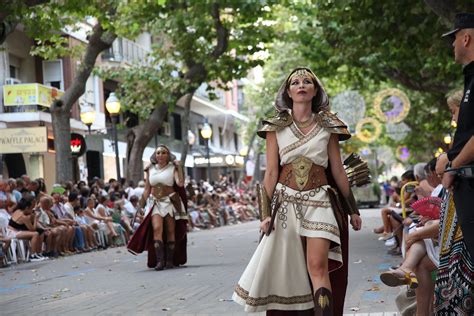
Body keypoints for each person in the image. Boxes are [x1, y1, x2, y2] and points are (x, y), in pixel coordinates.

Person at [232, 67, 362, 315]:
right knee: (288, 272)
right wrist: (264, 213)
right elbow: (270, 173)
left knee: (317, 267)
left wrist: (352, 209)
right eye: (295, 82)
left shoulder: (328, 126)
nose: (301, 85)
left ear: (315, 90)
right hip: (285, 204)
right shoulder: (275, 127)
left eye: (307, 81)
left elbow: (337, 170)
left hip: (320, 202)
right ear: (288, 92)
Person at [434, 88, 474, 313]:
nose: (453, 117)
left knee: (460, 280)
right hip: (457, 212)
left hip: (464, 215)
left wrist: (450, 161)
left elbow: (444, 165)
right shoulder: (460, 138)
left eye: (454, 111)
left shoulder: (464, 139)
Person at [127, 145, 188, 271]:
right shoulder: (150, 168)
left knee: (171, 231)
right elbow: (147, 190)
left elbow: (180, 183)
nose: (160, 155)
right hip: (155, 202)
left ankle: (169, 260)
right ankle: (160, 261)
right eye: (158, 152)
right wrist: (140, 207)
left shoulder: (173, 168)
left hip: (171, 201)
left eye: (163, 152)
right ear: (155, 155)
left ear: (168, 154)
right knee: (157, 228)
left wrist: (180, 167)